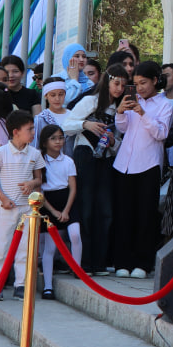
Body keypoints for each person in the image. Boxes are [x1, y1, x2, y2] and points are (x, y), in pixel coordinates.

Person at [112, 61, 173, 278]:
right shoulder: (131, 98)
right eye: (136, 83)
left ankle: (143, 263)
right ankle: (122, 261)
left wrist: (143, 112)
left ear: (155, 81)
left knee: (145, 215)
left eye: (143, 83)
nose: (139, 88)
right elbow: (122, 128)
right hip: (124, 165)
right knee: (124, 214)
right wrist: (120, 112)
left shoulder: (165, 105)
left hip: (148, 165)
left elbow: (161, 134)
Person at [67, 64, 127, 275]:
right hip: (85, 155)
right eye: (115, 82)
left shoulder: (120, 109)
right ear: (107, 81)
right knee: (86, 208)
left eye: (123, 84)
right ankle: (83, 262)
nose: (119, 88)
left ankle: (99, 262)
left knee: (105, 210)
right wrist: (85, 124)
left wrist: (113, 141)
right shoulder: (90, 101)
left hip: (106, 159)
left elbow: (122, 141)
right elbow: (66, 124)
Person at [0, 111, 44, 300]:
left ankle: (21, 284)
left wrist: (32, 184)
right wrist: (2, 198)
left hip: (27, 208)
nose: (33, 133)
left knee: (25, 247)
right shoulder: (1, 152)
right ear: (16, 131)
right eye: (30, 129)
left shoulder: (34, 153)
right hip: (7, 208)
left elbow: (39, 178)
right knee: (1, 246)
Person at [37, 124, 80, 299]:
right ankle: (48, 286)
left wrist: (66, 210)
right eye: (53, 138)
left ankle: (77, 269)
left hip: (67, 201)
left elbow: (73, 188)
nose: (58, 141)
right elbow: (39, 190)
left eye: (61, 138)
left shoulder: (68, 161)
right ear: (45, 141)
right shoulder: (40, 161)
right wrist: (54, 211)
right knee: (50, 246)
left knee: (75, 234)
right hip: (48, 203)